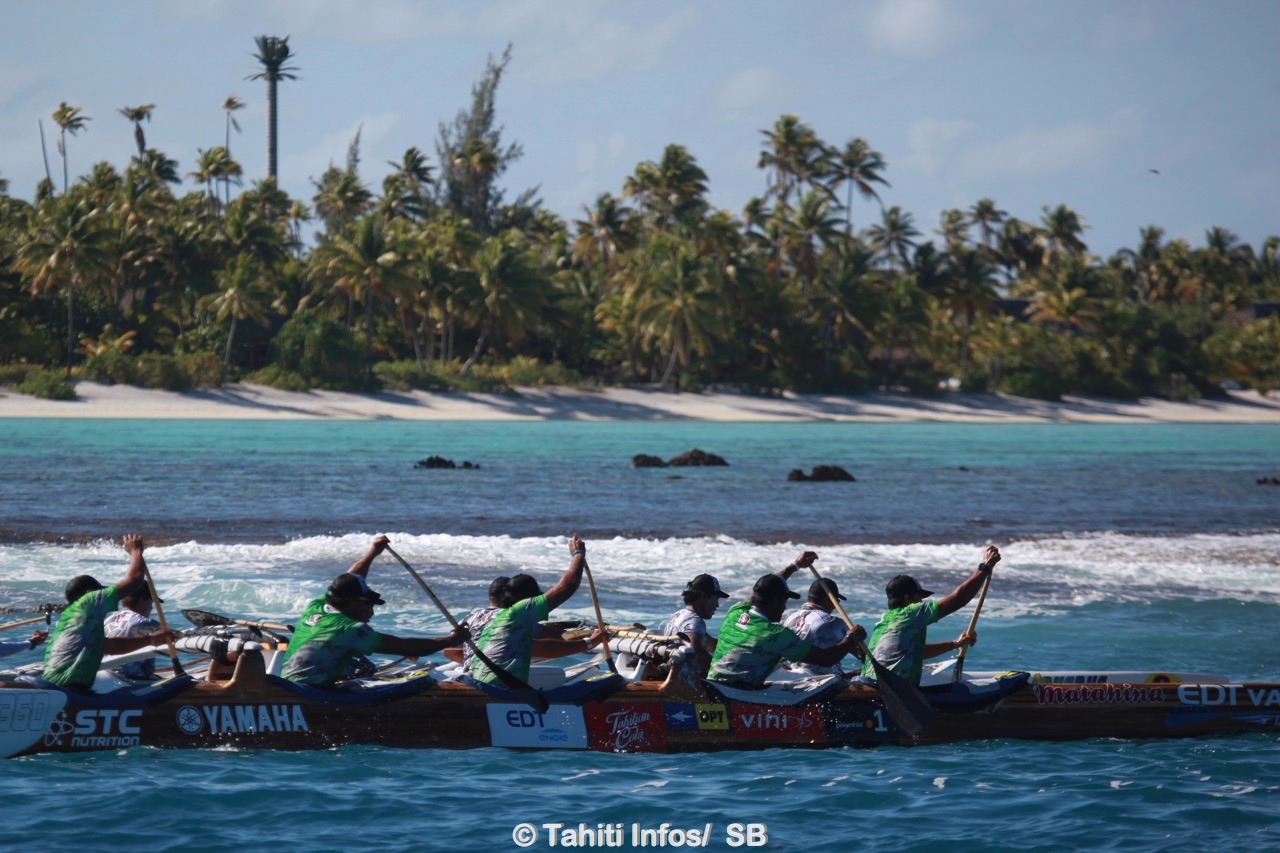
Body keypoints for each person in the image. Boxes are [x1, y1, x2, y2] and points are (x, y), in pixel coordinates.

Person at [280, 535, 469, 688]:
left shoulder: (319, 605)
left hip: (289, 682)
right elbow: (407, 647)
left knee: (362, 664)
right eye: (369, 604)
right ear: (353, 602)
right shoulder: (350, 629)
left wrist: (373, 553)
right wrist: (452, 639)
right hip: (313, 692)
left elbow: (350, 578)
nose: (371, 611)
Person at [707, 552, 866, 689]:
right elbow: (826, 659)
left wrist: (795, 565)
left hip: (715, 687)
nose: (785, 607)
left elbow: (760, 589)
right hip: (742, 695)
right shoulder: (775, 634)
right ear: (776, 600)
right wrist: (851, 639)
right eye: (784, 601)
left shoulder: (735, 612)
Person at [40, 534, 175, 691]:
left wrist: (151, 640)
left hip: (65, 686)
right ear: (90, 593)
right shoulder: (88, 602)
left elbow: (111, 645)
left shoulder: (77, 621)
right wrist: (136, 551)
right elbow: (135, 580)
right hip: (67, 689)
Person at [470, 535, 606, 687]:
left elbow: (544, 648)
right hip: (501, 687)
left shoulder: (501, 620)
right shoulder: (519, 611)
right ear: (528, 599)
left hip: (482, 683)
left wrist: (589, 642)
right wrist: (578, 554)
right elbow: (567, 587)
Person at [860, 545, 1000, 685]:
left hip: (870, 682)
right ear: (907, 598)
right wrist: (985, 567)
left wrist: (954, 644)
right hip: (890, 691)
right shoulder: (911, 613)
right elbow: (959, 598)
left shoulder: (884, 621)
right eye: (919, 597)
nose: (921, 601)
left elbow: (916, 652)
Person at [781, 578, 859, 678]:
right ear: (827, 600)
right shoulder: (833, 622)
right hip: (822, 683)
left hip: (791, 676)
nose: (835, 606)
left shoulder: (787, 619)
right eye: (837, 601)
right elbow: (864, 657)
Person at [662, 573, 730, 676]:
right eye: (715, 599)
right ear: (703, 597)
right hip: (683, 681)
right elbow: (695, 651)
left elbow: (711, 644)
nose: (717, 605)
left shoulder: (679, 615)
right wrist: (723, 671)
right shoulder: (694, 620)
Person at [104, 587, 162, 680]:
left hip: (105, 673)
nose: (151, 608)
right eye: (151, 603)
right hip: (128, 678)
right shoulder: (148, 624)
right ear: (142, 601)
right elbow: (149, 670)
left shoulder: (108, 619)